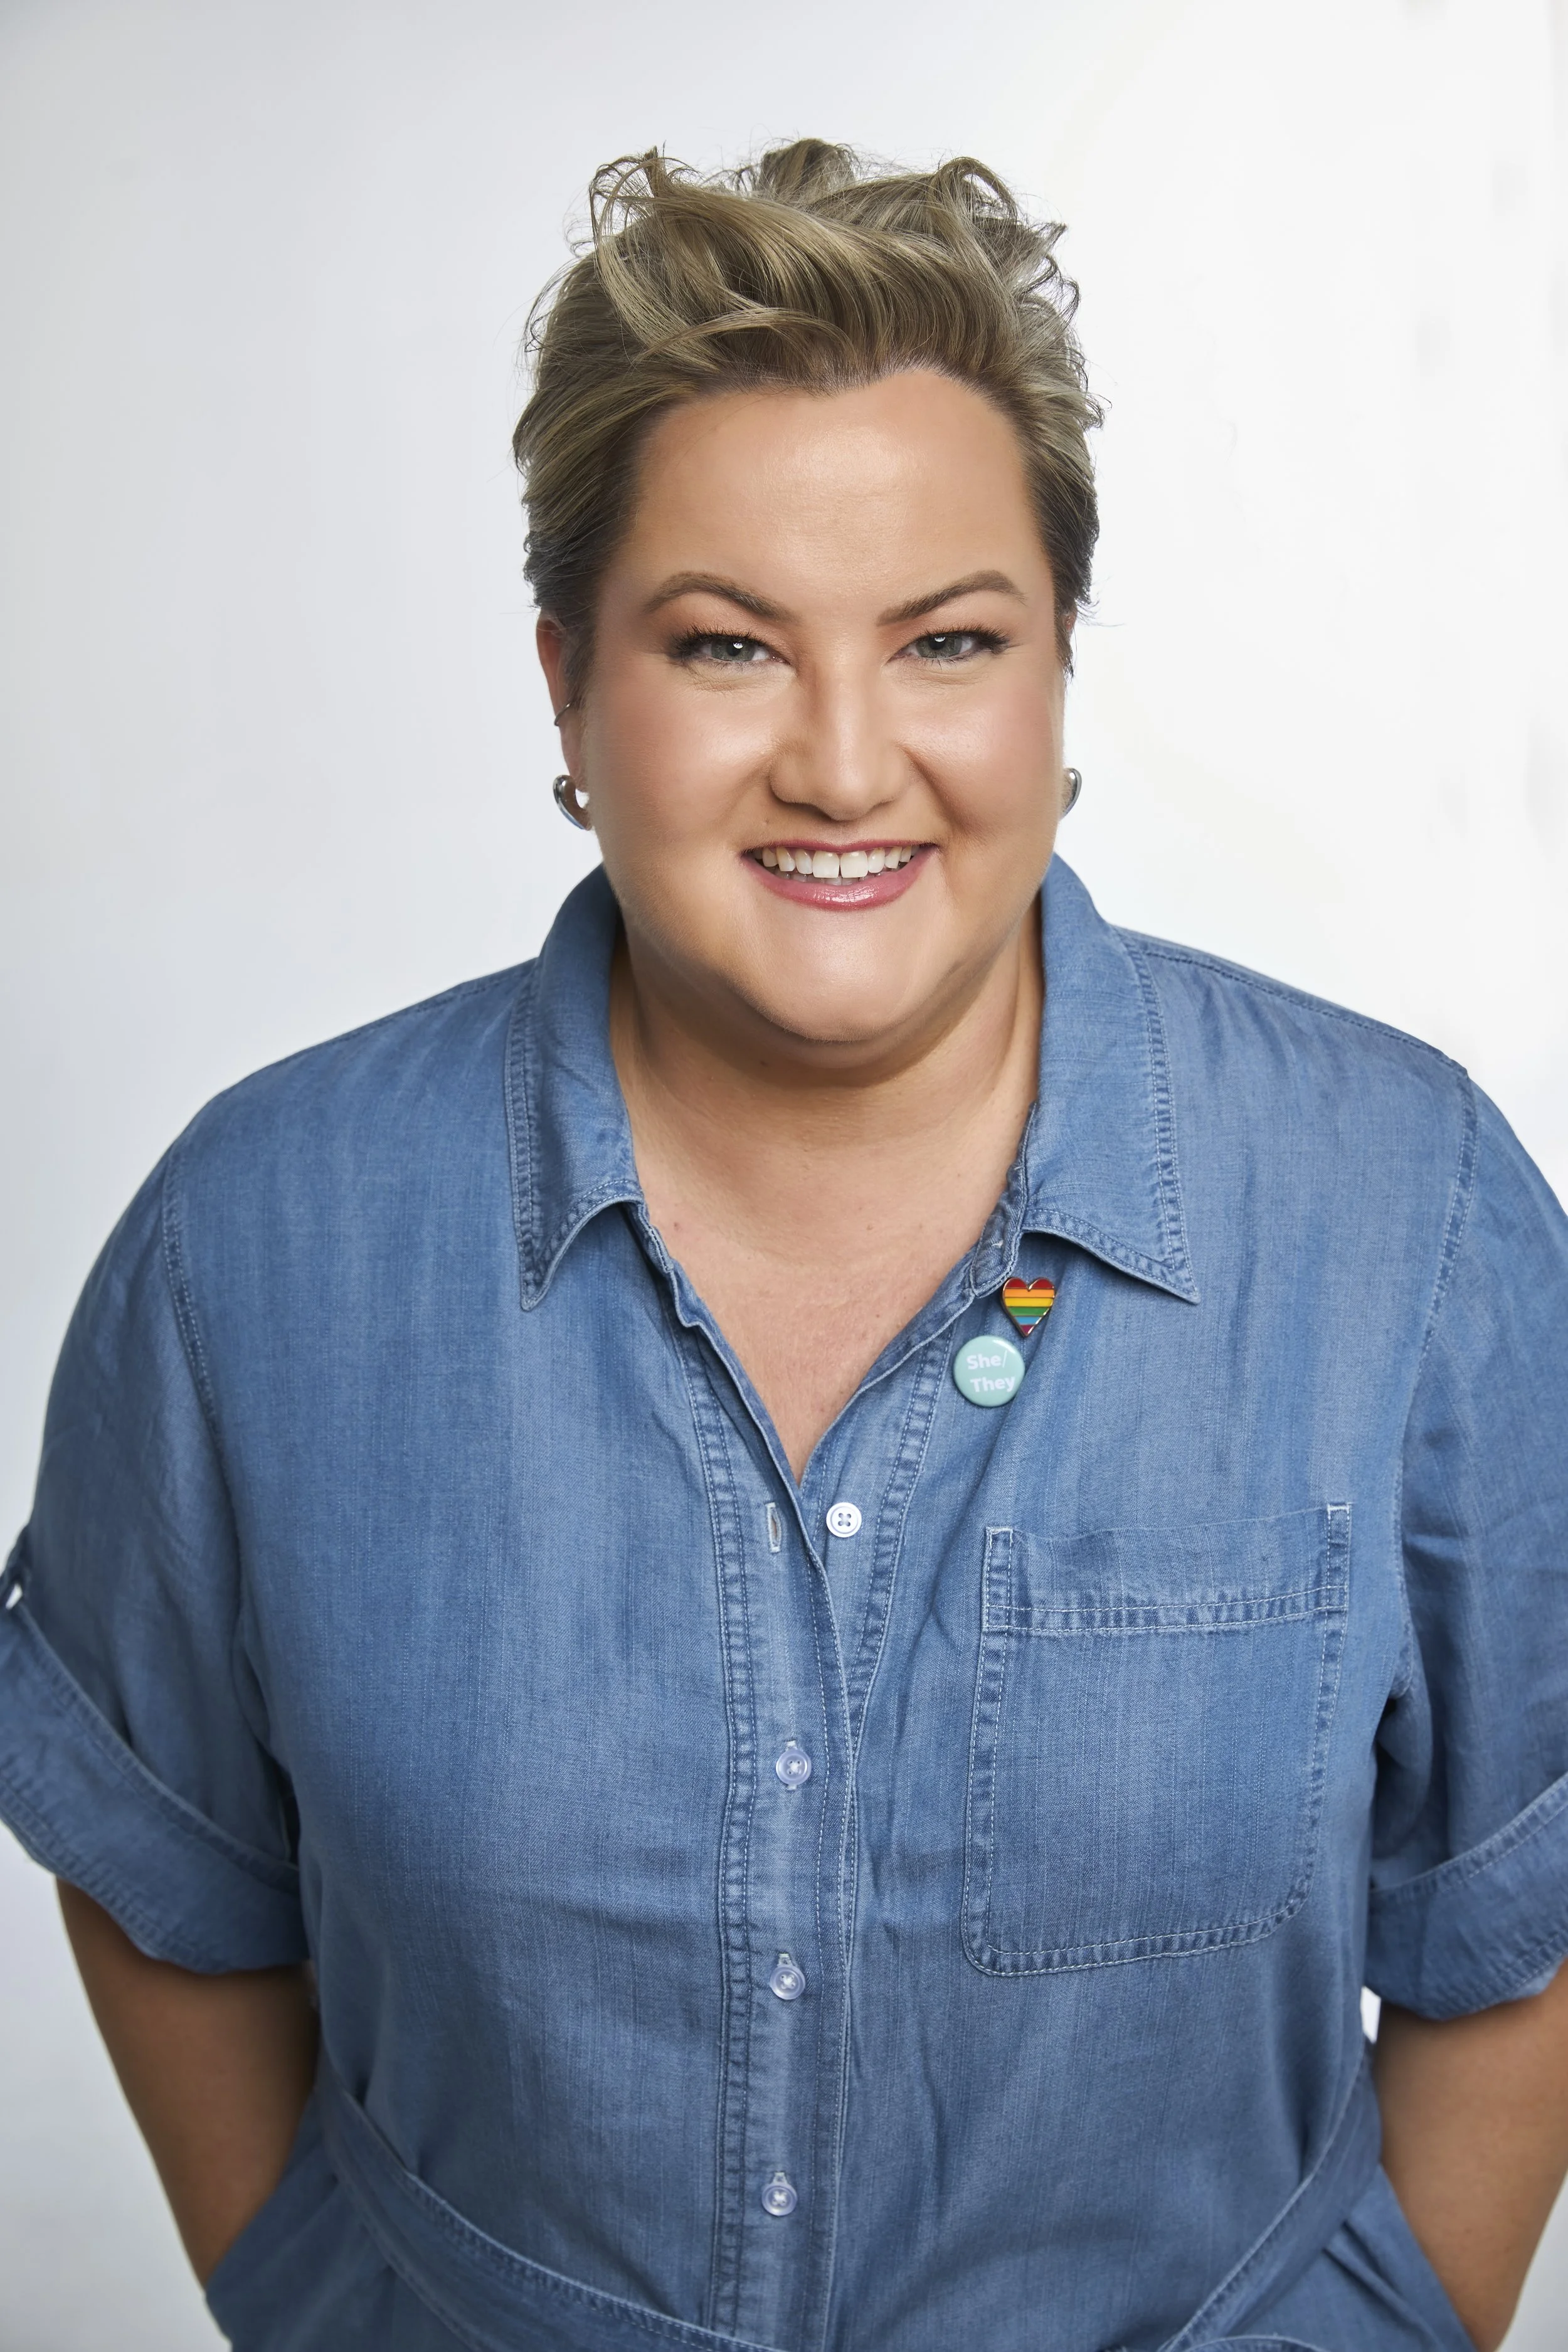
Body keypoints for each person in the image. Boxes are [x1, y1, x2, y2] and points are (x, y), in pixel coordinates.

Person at [2, 137, 1567, 2352]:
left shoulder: (1404, 1217)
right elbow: (157, 1862)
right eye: (725, 642)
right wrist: (329, 2301)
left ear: (1051, 676)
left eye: (946, 640)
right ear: (566, 686)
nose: (845, 764)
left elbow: (1527, 1888)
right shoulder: (255, 1247)